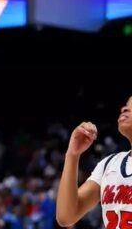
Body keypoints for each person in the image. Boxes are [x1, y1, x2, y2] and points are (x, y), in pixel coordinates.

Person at [56, 96, 132, 228]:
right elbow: (66, 216)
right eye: (126, 105)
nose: (124, 108)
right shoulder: (109, 164)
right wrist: (72, 155)